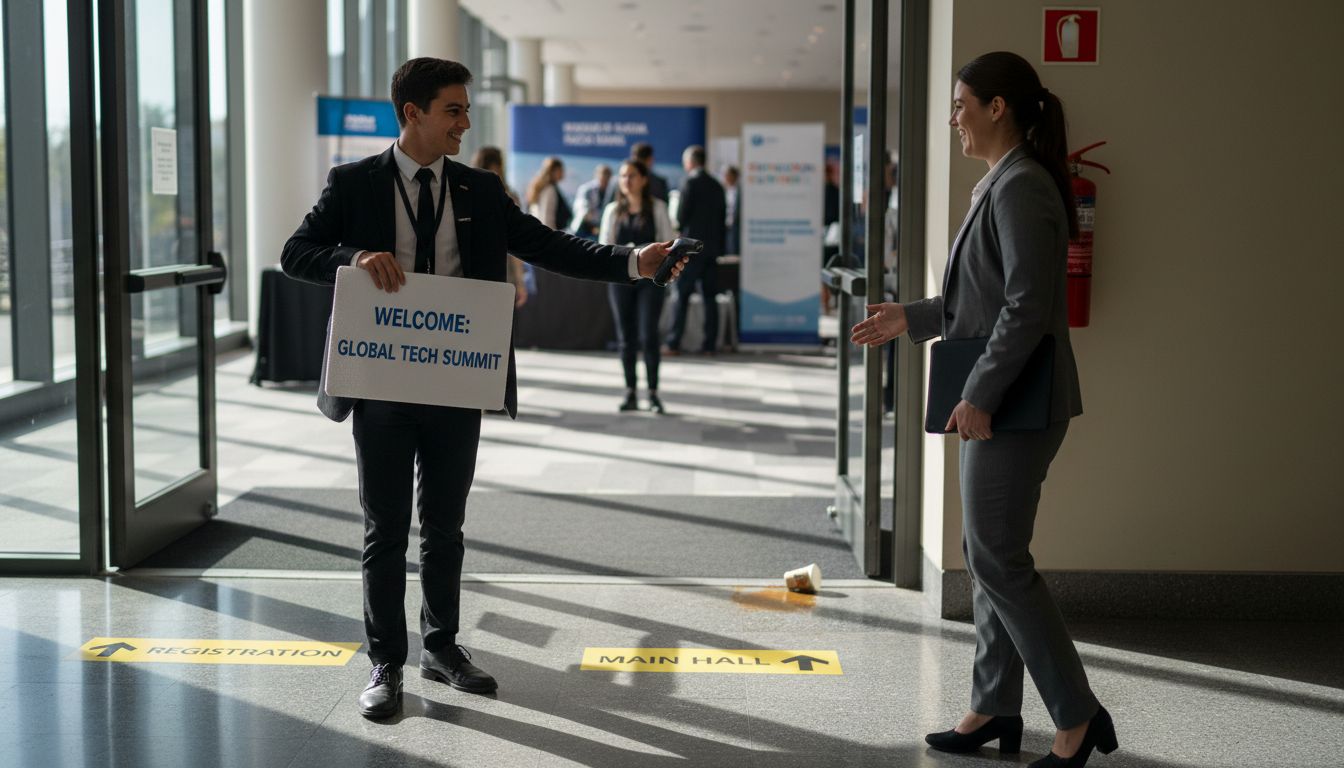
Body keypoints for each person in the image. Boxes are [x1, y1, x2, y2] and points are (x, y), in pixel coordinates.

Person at [281, 57, 683, 721]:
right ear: (413, 113)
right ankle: (386, 663)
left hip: (455, 380)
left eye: (466, 111)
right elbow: (297, 252)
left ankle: (442, 647)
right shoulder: (353, 184)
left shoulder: (480, 190)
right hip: (380, 382)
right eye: (454, 110)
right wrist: (351, 258)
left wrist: (630, 261)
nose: (465, 123)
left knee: (445, 524)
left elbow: (550, 245)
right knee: (385, 528)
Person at [851, 51, 1116, 768]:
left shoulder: (1021, 185)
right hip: (1009, 398)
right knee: (987, 553)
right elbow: (984, 299)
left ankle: (1076, 716)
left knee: (998, 558)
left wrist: (979, 394)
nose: (953, 118)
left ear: (999, 107)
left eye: (961, 104)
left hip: (1018, 402)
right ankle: (993, 706)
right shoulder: (1000, 183)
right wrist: (911, 317)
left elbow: (1029, 307)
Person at [600, 160, 675, 413]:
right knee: (626, 337)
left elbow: (669, 244)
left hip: (650, 282)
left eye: (631, 175)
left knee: (648, 334)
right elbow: (604, 246)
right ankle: (630, 390)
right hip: (621, 281)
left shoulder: (658, 208)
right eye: (622, 176)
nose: (626, 180)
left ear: (643, 179)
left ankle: (653, 393)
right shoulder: (612, 210)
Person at [665, 144, 726, 356]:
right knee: (710, 298)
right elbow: (722, 220)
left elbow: (681, 217)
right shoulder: (717, 186)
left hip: (691, 250)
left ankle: (674, 343)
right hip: (712, 251)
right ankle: (710, 346)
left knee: (681, 296)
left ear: (690, 162)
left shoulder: (689, 182)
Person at [471, 145, 528, 307]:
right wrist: (520, 282)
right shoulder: (507, 196)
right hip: (501, 273)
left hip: (471, 275)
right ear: (497, 166)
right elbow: (517, 243)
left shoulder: (466, 192)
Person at [525, 156, 571, 231]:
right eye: (561, 170)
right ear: (554, 171)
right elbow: (547, 217)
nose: (563, 173)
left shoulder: (540, 187)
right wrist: (551, 237)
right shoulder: (549, 189)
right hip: (546, 234)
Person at [570, 164, 613, 238]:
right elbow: (583, 210)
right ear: (597, 175)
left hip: (599, 228)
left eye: (607, 176)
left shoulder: (611, 191)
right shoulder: (586, 189)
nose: (605, 178)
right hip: (583, 226)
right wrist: (592, 226)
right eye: (603, 174)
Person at [722, 165, 741, 256]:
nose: (725, 178)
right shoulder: (726, 191)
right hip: (727, 226)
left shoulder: (740, 191)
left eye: (727, 175)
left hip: (736, 226)